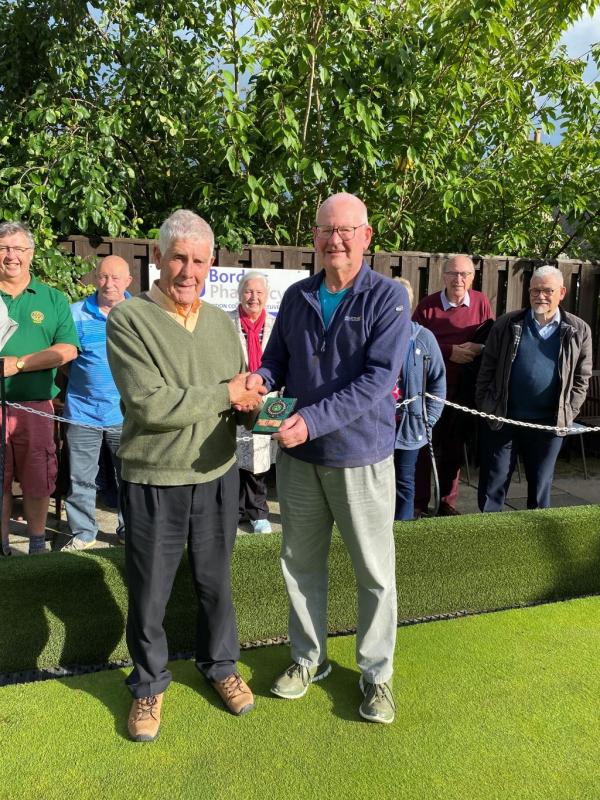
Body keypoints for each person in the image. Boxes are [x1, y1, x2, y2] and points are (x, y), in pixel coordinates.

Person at [247, 193, 410, 724]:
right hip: (299, 460)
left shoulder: (386, 298)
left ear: (366, 235)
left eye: (345, 230)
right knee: (300, 565)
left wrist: (311, 421)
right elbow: (276, 361)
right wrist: (260, 382)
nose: (334, 240)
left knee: (374, 573)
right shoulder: (296, 296)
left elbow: (377, 380)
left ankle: (376, 676)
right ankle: (307, 659)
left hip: (360, 457)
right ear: (313, 236)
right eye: (325, 230)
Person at [106, 210, 265, 742]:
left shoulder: (222, 324)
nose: (188, 269)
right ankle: (149, 682)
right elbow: (149, 404)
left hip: (217, 474)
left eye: (199, 260)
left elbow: (234, 396)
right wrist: (227, 394)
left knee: (216, 584)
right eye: (179, 257)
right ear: (157, 258)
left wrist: (253, 408)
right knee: (150, 592)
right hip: (154, 478)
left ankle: (221, 667)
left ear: (211, 263)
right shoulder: (128, 320)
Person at [476, 265, 592, 512]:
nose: (540, 296)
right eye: (535, 290)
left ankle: (536, 541)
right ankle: (486, 538)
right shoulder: (507, 324)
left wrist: (568, 413)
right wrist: (486, 405)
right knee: (492, 485)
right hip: (503, 418)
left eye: (547, 290)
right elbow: (487, 368)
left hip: (548, 424)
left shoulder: (578, 330)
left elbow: (582, 378)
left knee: (540, 489)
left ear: (561, 292)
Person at [0, 221, 79, 557]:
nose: (11, 255)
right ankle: (1, 545)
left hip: (36, 407)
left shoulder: (52, 299)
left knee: (37, 480)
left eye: (18, 248)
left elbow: (67, 350)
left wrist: (18, 363)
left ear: (31, 254)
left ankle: (35, 544)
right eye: (3, 247)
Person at [412, 255, 494, 516]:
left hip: (464, 391)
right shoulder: (427, 307)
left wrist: (477, 347)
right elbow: (412, 342)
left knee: (454, 449)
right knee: (424, 448)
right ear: (443, 275)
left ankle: (447, 503)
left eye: (465, 274)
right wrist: (448, 351)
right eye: (453, 274)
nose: (459, 279)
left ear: (472, 277)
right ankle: (419, 504)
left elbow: (490, 340)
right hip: (429, 390)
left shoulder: (481, 302)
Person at [62, 256, 132, 551]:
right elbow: (66, 362)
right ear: (95, 279)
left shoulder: (139, 314)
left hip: (126, 413)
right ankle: (84, 534)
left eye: (116, 278)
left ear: (128, 281)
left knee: (129, 478)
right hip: (82, 412)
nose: (109, 284)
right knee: (81, 479)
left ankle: (130, 530)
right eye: (104, 277)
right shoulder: (74, 313)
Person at [393, 278, 446, 521]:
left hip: (409, 425)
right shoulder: (369, 335)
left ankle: (401, 533)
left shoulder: (423, 338)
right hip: (373, 428)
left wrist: (430, 418)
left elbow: (438, 380)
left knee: (404, 482)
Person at [230, 271, 276, 534]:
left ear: (266, 296)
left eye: (259, 292)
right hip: (236, 397)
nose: (253, 297)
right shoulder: (226, 323)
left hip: (268, 399)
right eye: (248, 291)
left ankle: (258, 512)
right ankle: (234, 511)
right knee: (235, 456)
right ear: (239, 294)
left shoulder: (276, 325)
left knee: (261, 458)